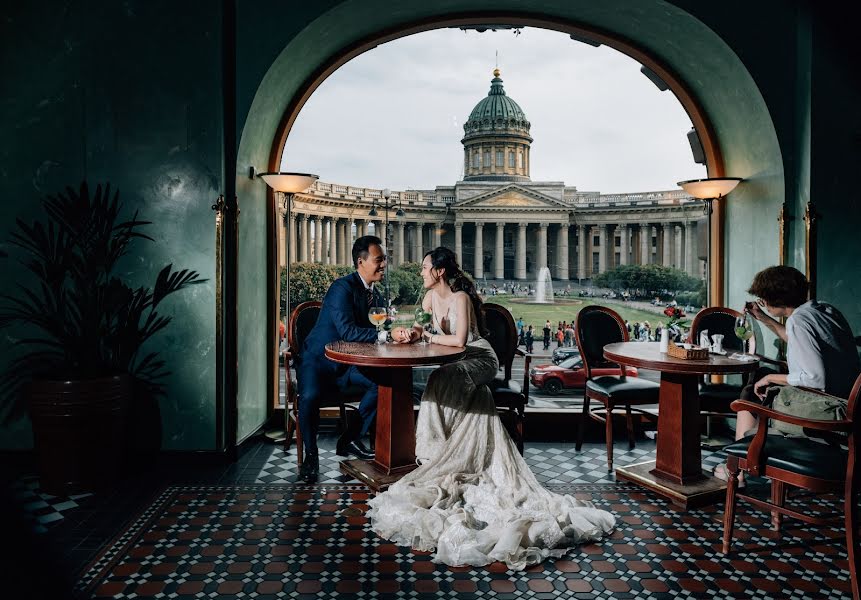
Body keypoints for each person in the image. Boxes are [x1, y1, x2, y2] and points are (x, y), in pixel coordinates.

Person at [367, 247, 614, 570]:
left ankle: (435, 455)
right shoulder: (428, 301)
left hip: (479, 358)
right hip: (455, 361)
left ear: (439, 272)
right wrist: (410, 332)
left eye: (425, 268)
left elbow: (458, 342)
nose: (421, 272)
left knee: (441, 380)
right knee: (442, 385)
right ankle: (438, 456)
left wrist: (425, 334)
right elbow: (421, 330)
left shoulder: (460, 299)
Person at [715, 266, 860, 482]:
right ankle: (748, 452)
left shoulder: (798, 321)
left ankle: (741, 468)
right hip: (849, 405)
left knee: (754, 387)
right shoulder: (824, 311)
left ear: (774, 297)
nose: (762, 301)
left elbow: (814, 379)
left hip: (827, 413)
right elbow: (797, 338)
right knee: (759, 378)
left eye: (763, 298)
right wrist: (763, 318)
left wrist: (772, 378)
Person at [296, 235, 418, 483]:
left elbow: (381, 327)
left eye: (385, 259)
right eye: (379, 259)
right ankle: (311, 456)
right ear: (361, 262)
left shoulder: (377, 295)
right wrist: (386, 334)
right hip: (319, 362)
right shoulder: (341, 288)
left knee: (383, 385)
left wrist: (399, 334)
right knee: (308, 397)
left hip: (349, 364)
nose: (384, 264)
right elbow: (349, 332)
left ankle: (349, 438)